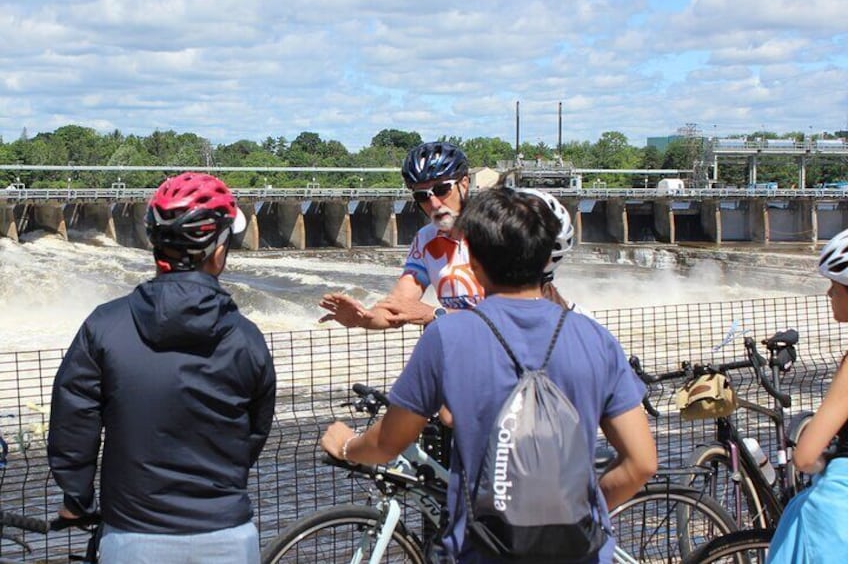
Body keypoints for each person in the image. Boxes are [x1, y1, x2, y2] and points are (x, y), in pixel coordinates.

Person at [320, 188, 657, 563]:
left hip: (483, 550)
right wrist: (577, 513)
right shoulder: (595, 338)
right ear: (547, 256)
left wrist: (347, 445)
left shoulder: (449, 337)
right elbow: (641, 462)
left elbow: (388, 443)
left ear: (474, 263)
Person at [47, 172, 277, 564]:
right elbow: (253, 432)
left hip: (133, 536)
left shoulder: (104, 326)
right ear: (218, 251)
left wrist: (77, 498)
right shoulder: (246, 338)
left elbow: (74, 422)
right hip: (226, 536)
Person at [319, 141, 580, 329]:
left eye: (442, 189)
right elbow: (401, 304)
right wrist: (364, 318)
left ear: (464, 183)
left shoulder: (499, 230)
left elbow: (520, 313)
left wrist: (436, 314)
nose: (433, 203)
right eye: (421, 195)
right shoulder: (425, 239)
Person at [766, 228, 848, 562]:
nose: (829, 293)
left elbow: (804, 456)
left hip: (836, 514)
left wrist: (824, 460)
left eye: (836, 285)